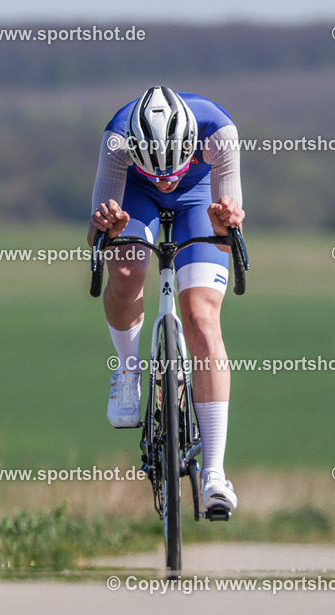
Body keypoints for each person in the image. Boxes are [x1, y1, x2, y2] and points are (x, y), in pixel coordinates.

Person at [88, 86, 243, 512]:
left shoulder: (219, 134)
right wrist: (108, 228)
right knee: (124, 270)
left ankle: (214, 471)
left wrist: (226, 225)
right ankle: (127, 369)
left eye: (171, 168)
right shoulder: (118, 140)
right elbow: (94, 240)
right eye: (155, 169)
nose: (165, 179)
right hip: (136, 199)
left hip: (199, 199)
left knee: (202, 319)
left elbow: (232, 246)